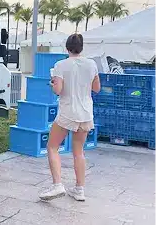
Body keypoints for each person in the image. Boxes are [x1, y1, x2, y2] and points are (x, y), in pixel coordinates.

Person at [39, 33, 100, 203]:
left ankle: (57, 184)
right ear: (81, 48)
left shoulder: (60, 65)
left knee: (52, 147)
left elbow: (58, 90)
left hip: (67, 112)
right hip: (85, 113)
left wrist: (53, 84)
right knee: (79, 151)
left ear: (67, 48)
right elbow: (96, 88)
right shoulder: (91, 64)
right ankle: (79, 189)